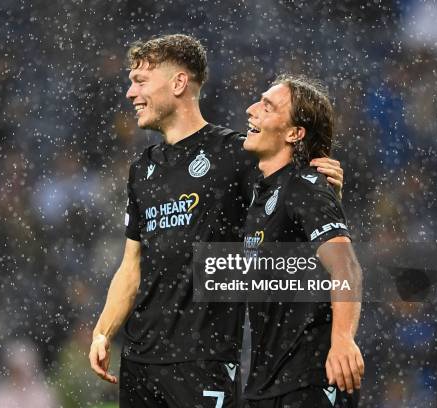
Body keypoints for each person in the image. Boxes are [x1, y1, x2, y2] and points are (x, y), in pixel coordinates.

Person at [89, 34, 344, 407]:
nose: (130, 93)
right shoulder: (141, 169)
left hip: (203, 360)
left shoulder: (236, 154)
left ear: (178, 83)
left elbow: (298, 219)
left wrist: (327, 190)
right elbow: (132, 265)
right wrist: (103, 332)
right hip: (140, 363)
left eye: (141, 81)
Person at [241, 74, 364, 407]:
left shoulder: (305, 187)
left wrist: (341, 340)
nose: (251, 110)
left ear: (295, 133)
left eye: (267, 107)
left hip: (310, 379)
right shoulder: (259, 193)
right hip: (265, 384)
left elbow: (346, 266)